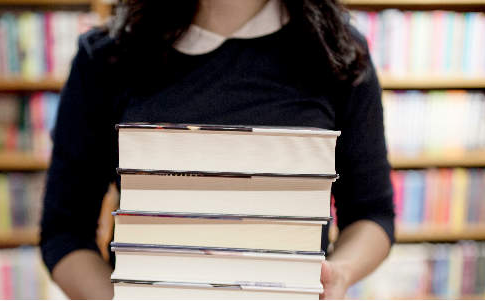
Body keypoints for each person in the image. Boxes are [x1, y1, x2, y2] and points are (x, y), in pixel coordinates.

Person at [40, 0, 395, 299]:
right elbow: (64, 233)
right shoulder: (106, 57)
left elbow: (372, 214)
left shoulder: (337, 50)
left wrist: (341, 273)